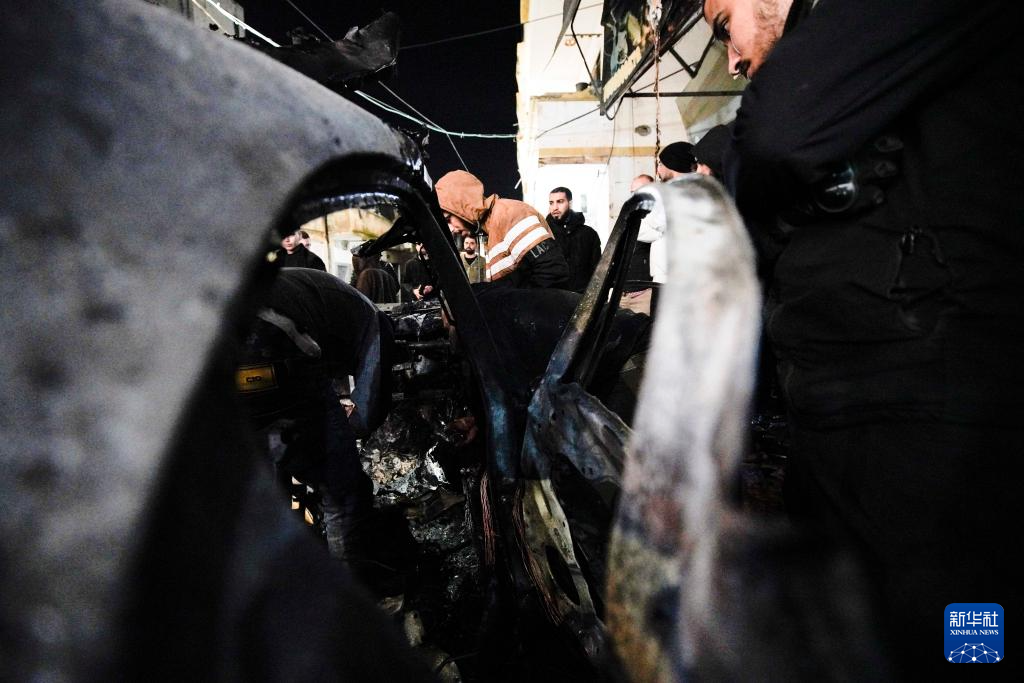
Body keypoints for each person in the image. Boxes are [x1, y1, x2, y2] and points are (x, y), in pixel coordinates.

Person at [703, 0, 1023, 671]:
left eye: (723, 24)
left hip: (932, 422)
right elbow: (753, 173)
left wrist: (770, 177)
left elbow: (774, 131)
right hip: (861, 415)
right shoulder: (855, 57)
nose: (730, 59)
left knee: (958, 641)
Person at [236, 268, 404, 572]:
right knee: (341, 491)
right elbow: (371, 393)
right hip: (276, 342)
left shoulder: (321, 296)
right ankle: (348, 584)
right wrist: (354, 424)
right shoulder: (373, 321)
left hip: (227, 362)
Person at [435, 170, 569, 289]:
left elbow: (553, 270)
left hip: (545, 307)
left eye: (448, 219)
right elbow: (514, 279)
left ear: (462, 206)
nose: (451, 229)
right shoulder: (491, 228)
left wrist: (514, 303)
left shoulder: (509, 213)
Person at [619, 174, 663, 316]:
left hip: (644, 297)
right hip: (621, 296)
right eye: (632, 192)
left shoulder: (661, 220)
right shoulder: (628, 220)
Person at [546, 186, 602, 293]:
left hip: (581, 296)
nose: (555, 207)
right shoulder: (543, 235)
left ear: (570, 203)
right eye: (551, 203)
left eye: (560, 202)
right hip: (552, 297)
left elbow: (597, 271)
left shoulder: (589, 234)